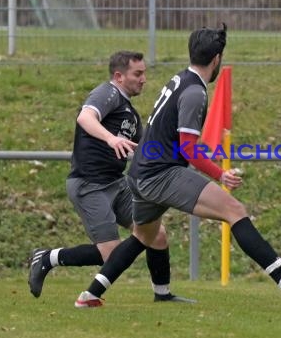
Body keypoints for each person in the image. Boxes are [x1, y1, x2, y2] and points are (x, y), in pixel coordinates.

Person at [74, 23, 281, 308]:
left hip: (140, 173)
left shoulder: (178, 79)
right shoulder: (195, 92)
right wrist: (220, 174)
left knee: (144, 235)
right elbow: (188, 149)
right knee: (234, 210)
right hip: (160, 173)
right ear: (217, 59)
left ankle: (90, 294)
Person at [28, 50, 192, 304]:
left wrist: (185, 151)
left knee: (156, 234)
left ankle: (163, 295)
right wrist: (110, 138)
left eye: (144, 73)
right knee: (112, 253)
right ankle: (48, 257)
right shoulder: (108, 93)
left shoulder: (130, 115)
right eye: (137, 73)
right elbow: (85, 117)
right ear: (118, 76)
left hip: (118, 184)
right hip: (89, 184)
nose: (144, 79)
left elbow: (147, 148)